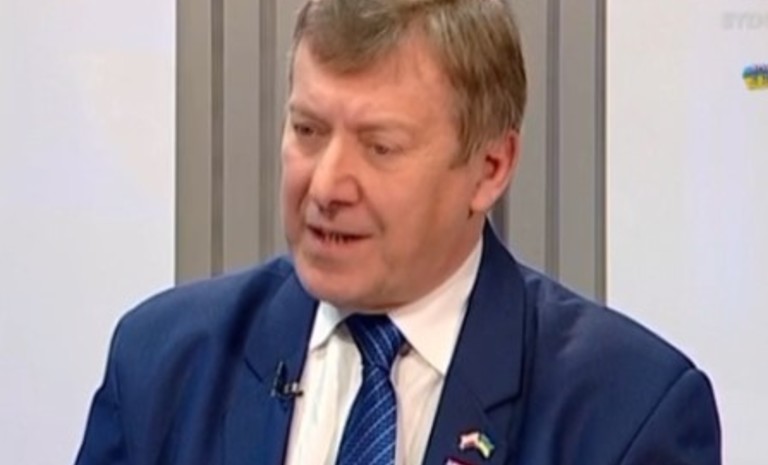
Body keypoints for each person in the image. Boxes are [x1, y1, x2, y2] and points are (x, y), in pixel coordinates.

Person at [75, 0, 721, 464]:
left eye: (380, 147)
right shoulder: (162, 364)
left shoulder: (629, 414)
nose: (327, 185)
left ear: (490, 168)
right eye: (308, 130)